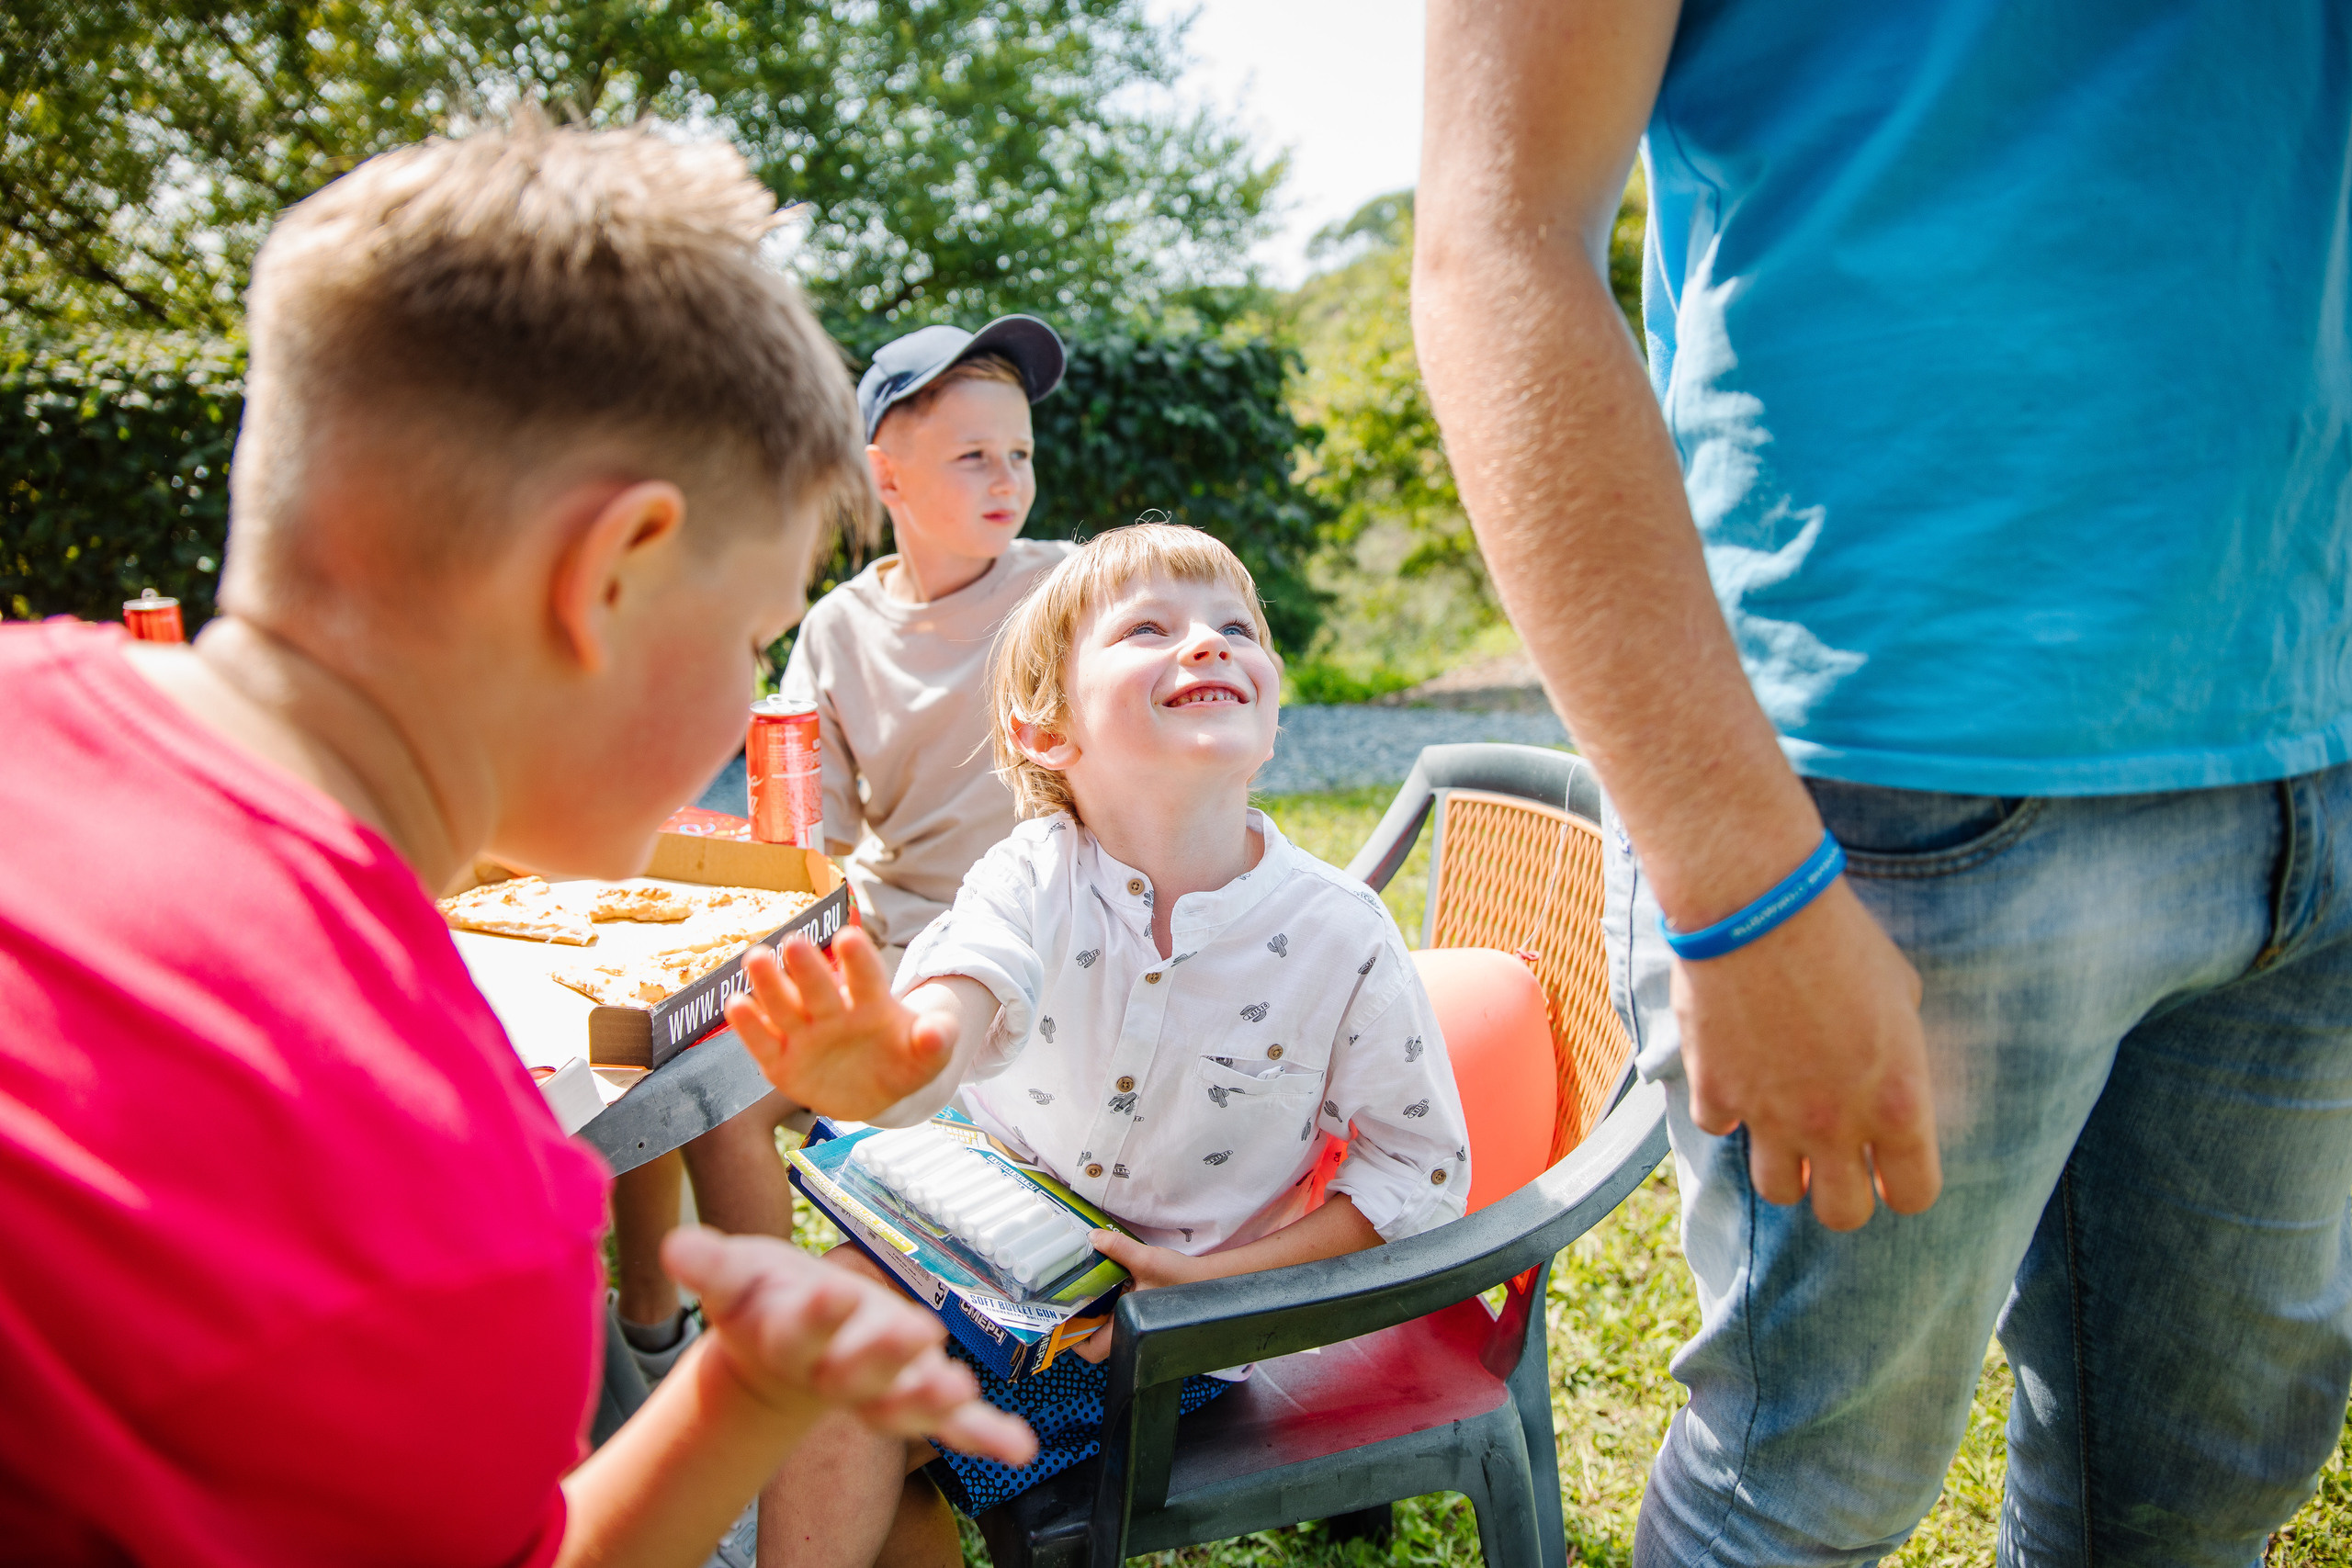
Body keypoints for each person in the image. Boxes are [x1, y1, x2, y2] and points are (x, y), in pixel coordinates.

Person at [0, 118, 1030, 1566]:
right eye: (751, 637)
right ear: (608, 575)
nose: (747, 698)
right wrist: (743, 1393)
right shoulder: (460, 1206)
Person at [1414, 3, 2352, 1564]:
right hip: (1875, 793)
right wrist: (1744, 885)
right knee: (1800, 1498)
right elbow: (1495, 239)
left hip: (2315, 740)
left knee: (2197, 1498)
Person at [724, 523, 1474, 1566]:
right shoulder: (1031, 872)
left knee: (828, 1403)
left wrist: (1215, 1283)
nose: (1207, 643)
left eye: (1235, 628)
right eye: (1148, 630)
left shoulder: (1340, 936)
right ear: (1046, 732)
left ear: (1269, 714)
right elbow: (965, 986)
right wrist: (906, 1060)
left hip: (1158, 1337)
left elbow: (1418, 1170)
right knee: (817, 1353)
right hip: (963, 1264)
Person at [606, 317, 1075, 1386]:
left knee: (721, 1071)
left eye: (1020, 452)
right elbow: (809, 835)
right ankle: (685, 1342)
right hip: (886, 934)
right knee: (707, 1080)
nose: (1008, 478)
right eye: (973, 455)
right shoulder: (839, 628)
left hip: (1022, 947)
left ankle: (772, 1383)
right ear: (884, 477)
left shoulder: (1066, 594)